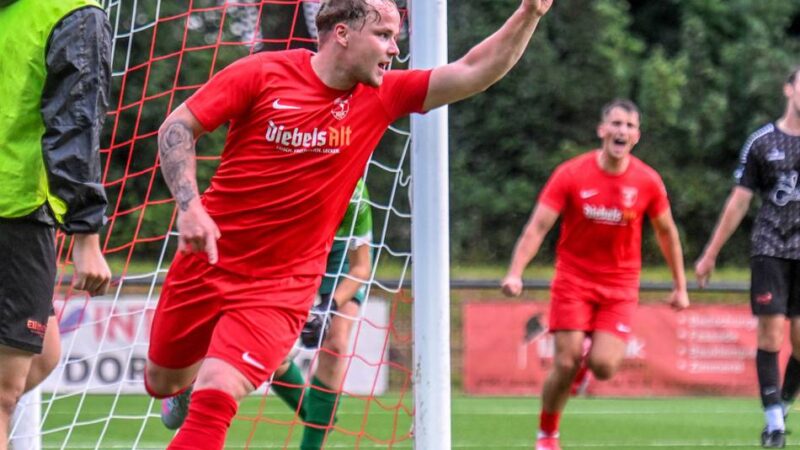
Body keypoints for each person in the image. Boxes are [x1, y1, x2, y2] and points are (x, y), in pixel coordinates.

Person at [144, 0, 555, 448]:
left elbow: (475, 69)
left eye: (396, 38)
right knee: (161, 381)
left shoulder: (383, 95)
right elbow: (178, 126)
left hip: (281, 288)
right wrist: (189, 205)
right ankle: (177, 390)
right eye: (383, 35)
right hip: (207, 263)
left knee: (216, 399)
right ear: (342, 34)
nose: (394, 50)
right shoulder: (261, 73)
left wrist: (530, 12)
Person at [501, 99, 690, 450]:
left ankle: (587, 369)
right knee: (566, 359)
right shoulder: (571, 173)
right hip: (573, 280)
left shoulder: (647, 181)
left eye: (630, 126)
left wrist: (681, 287)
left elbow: (667, 234)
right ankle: (547, 435)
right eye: (616, 124)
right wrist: (515, 272)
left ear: (637, 136)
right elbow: (538, 226)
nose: (622, 131)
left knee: (604, 366)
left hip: (619, 285)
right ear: (602, 130)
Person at [160, 179, 374, 450]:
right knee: (269, 350)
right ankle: (315, 414)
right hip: (285, 246)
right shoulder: (279, 191)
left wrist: (328, 308)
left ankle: (314, 437)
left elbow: (361, 268)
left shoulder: (354, 195)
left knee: (337, 341)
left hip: (337, 254)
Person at [0, 0, 112, 448]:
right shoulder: (73, 12)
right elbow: (74, 124)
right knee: (4, 392)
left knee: (43, 355)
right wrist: (86, 232)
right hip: (14, 211)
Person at [695, 66, 800, 449]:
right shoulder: (761, 141)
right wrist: (710, 253)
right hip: (770, 247)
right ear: (788, 88)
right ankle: (773, 422)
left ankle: (783, 403)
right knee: (771, 332)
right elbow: (739, 201)